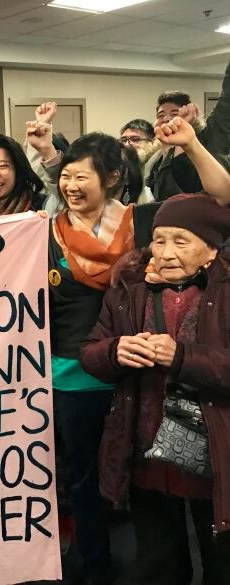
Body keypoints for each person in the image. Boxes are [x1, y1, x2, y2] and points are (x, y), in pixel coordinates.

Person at [80, 194, 230, 585]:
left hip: (215, 461)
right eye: (159, 239)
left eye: (181, 241)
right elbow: (90, 352)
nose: (165, 252)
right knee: (159, 567)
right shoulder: (130, 287)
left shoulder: (225, 292)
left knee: (221, 565)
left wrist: (182, 356)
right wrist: (116, 351)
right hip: (145, 456)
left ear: (211, 251)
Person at [147, 61, 230, 200]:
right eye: (161, 115)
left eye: (174, 114)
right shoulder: (152, 159)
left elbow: (226, 107)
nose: (167, 119)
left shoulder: (206, 145)